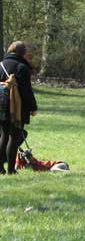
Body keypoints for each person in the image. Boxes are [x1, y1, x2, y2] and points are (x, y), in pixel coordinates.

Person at [0, 41, 38, 175]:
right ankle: (11, 170)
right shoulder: (21, 67)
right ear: (22, 53)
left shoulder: (1, 65)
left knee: (4, 135)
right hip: (16, 107)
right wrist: (33, 107)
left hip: (1, 104)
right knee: (14, 136)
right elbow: (26, 91)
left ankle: (0, 168)